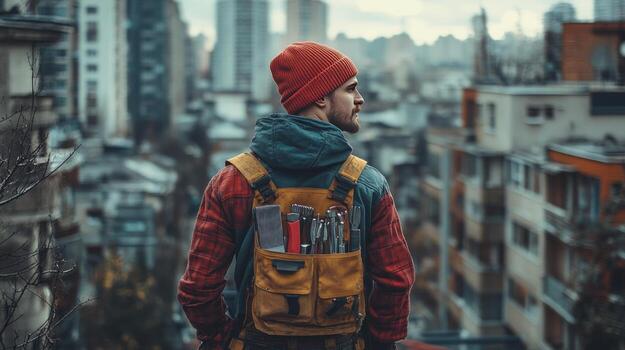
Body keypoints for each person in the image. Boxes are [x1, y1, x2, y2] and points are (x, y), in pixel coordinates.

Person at [178, 41, 415, 350]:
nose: (360, 99)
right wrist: (376, 344)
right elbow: (396, 281)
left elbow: (198, 288)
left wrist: (225, 340)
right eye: (350, 89)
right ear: (319, 97)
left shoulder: (231, 182)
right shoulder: (368, 185)